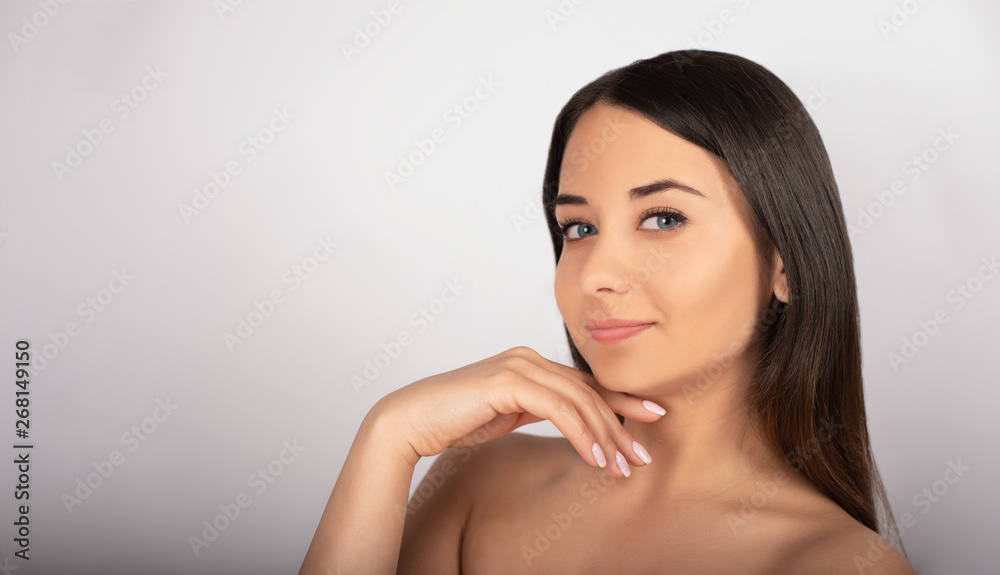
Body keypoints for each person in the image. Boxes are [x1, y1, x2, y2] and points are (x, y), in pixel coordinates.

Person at [299, 49, 915, 574]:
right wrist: (389, 437)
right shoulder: (477, 483)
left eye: (663, 219)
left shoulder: (834, 562)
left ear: (784, 264)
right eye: (579, 227)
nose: (594, 274)